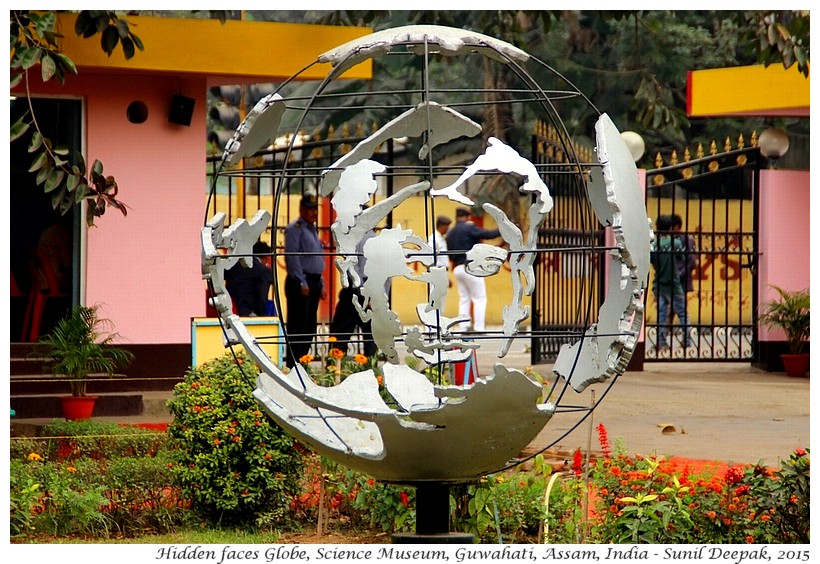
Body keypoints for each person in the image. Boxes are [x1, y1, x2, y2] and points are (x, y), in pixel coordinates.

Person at [284, 194, 326, 367]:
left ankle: (302, 362)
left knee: (309, 327)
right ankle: (293, 365)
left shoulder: (312, 229)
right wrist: (302, 282)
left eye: (315, 209)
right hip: (301, 282)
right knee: (298, 327)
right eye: (310, 209)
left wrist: (321, 283)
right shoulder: (295, 228)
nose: (313, 212)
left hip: (314, 281)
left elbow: (315, 259)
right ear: (302, 210)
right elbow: (292, 257)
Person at [445, 207, 500, 332]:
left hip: (457, 268)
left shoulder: (451, 232)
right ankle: (479, 328)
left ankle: (463, 327)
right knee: (480, 298)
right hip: (471, 268)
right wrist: (503, 229)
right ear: (467, 217)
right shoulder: (468, 228)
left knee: (464, 299)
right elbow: (487, 235)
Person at [329, 229, 378, 358]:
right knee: (371, 335)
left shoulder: (354, 239)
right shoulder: (378, 240)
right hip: (372, 291)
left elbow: (352, 267)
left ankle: (336, 367)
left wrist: (360, 290)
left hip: (355, 290)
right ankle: (370, 367)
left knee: (340, 332)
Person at [651, 214, 692, 353]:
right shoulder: (676, 243)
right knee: (682, 314)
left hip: (660, 284)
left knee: (662, 314)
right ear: (669, 228)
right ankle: (686, 342)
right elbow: (681, 258)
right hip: (674, 285)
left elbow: (652, 262)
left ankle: (661, 343)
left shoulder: (654, 246)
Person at [225, 240, 273, 316]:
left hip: (229, 311)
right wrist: (262, 316)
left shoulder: (233, 266)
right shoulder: (263, 271)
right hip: (250, 312)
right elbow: (262, 295)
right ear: (266, 257)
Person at [427, 215, 452, 313]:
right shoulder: (434, 239)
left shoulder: (441, 238)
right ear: (441, 226)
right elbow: (430, 257)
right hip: (437, 272)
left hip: (442, 272)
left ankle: (438, 324)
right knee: (435, 300)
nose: (448, 229)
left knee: (441, 300)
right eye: (447, 226)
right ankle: (432, 326)